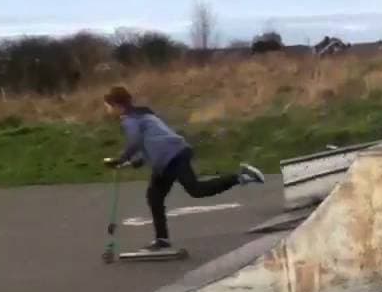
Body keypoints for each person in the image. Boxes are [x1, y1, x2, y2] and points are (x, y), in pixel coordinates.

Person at [101, 85, 264, 251]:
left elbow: (135, 141)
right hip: (168, 158)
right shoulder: (143, 114)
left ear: (117, 105)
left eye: (108, 106)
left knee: (195, 190)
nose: (107, 110)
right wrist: (135, 161)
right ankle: (162, 239)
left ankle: (240, 177)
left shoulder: (130, 119)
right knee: (154, 197)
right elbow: (153, 142)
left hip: (174, 156)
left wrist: (121, 158)